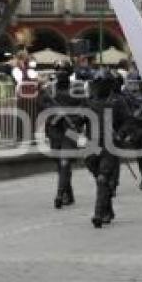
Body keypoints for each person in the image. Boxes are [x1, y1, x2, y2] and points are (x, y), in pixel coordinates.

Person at [84, 68, 129, 228]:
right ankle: (107, 209)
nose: (99, 87)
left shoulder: (118, 102)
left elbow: (127, 122)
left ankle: (98, 214)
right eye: (97, 83)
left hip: (109, 145)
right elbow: (78, 122)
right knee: (100, 180)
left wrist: (120, 134)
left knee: (103, 177)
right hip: (92, 146)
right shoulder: (88, 102)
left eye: (102, 84)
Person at [43, 63, 84, 208]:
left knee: (65, 162)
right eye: (58, 70)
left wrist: (75, 119)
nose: (61, 73)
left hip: (71, 130)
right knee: (60, 166)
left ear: (69, 72)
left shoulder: (77, 88)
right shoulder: (49, 89)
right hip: (55, 130)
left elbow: (85, 107)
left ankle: (60, 195)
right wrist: (55, 115)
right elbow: (44, 107)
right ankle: (69, 193)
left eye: (64, 70)